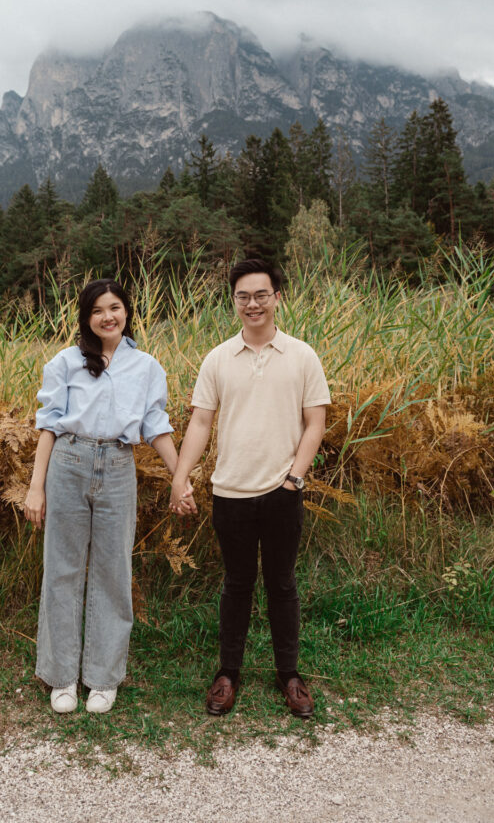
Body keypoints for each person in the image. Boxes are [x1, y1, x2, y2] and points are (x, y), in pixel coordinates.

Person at [169, 258, 329, 719]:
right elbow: (201, 421)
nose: (252, 303)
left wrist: (293, 479)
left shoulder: (302, 355)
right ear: (234, 301)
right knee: (236, 585)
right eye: (243, 296)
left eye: (261, 295)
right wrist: (182, 476)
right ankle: (228, 675)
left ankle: (289, 676)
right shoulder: (218, 358)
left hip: (283, 491)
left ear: (277, 297)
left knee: (282, 584)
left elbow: (315, 423)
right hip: (230, 493)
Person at [23, 279, 181, 714]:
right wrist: (36, 488)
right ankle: (61, 677)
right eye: (97, 310)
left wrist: (179, 478)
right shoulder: (65, 362)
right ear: (85, 317)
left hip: (117, 465)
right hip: (69, 463)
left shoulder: (146, 366)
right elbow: (49, 425)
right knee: (62, 569)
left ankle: (103, 678)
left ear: (127, 312)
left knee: (113, 570)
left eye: (115, 307)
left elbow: (156, 425)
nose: (107, 316)